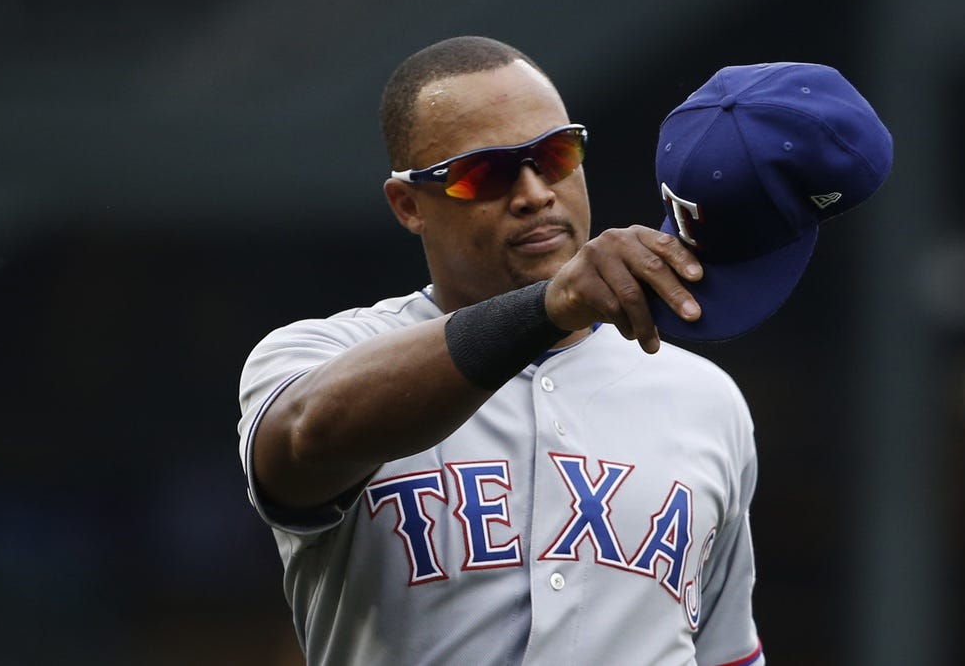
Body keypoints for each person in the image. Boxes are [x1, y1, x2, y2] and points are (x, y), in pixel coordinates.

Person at [238, 36, 765, 666]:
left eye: (555, 153)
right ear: (408, 205)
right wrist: (548, 309)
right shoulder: (324, 353)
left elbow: (728, 652)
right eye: (485, 173)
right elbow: (309, 439)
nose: (534, 192)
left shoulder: (704, 398)